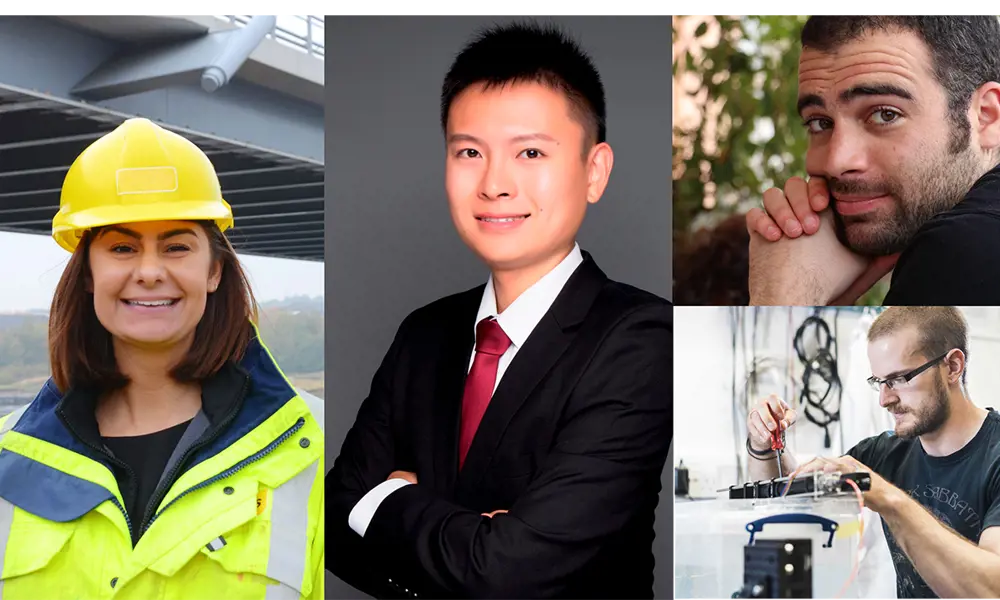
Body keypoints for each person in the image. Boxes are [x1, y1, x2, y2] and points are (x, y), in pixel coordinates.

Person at [326, 21, 673, 600]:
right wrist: (472, 544)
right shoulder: (424, 333)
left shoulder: (642, 338)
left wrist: (388, 501)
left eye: (530, 152)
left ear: (594, 171)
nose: (494, 183)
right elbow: (333, 526)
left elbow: (510, 571)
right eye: (469, 152)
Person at [0, 118, 325, 598]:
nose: (149, 271)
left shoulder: (315, 448)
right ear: (88, 273)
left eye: (176, 247)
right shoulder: (10, 457)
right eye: (122, 247)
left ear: (214, 270)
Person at [742, 14, 1000, 306]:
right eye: (819, 123)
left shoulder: (959, 252)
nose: (836, 161)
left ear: (986, 117)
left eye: (885, 114)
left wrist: (781, 301)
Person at [746, 307, 1000, 599]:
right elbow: (789, 501)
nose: (884, 399)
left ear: (953, 367)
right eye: (879, 383)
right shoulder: (884, 452)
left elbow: (991, 589)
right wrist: (764, 444)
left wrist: (888, 498)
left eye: (899, 379)